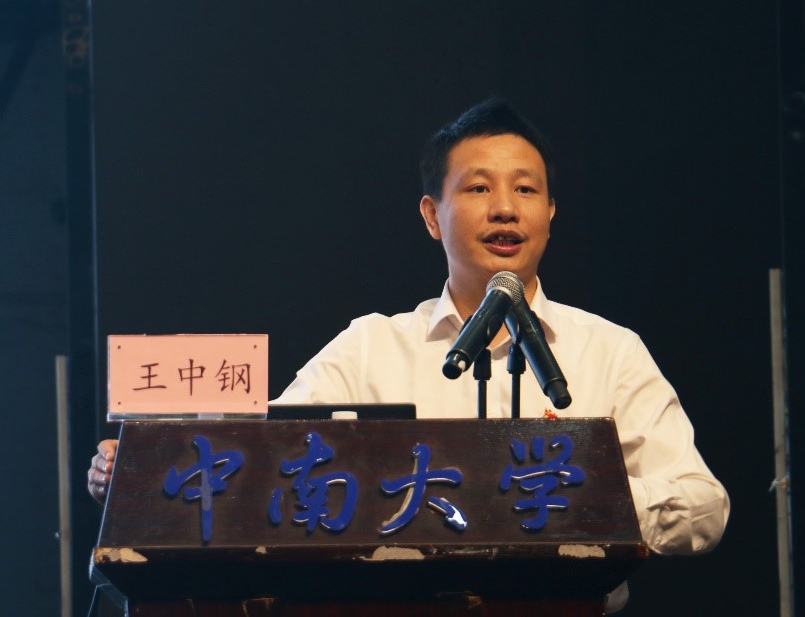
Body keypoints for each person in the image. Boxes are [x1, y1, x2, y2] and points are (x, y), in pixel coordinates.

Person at [88, 97, 729, 606]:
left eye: (526, 190)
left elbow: (704, 505)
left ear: (551, 211)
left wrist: (582, 495)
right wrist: (146, 468)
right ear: (431, 214)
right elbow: (264, 457)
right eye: (478, 189)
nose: (505, 209)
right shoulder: (373, 346)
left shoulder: (610, 350)